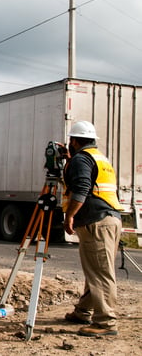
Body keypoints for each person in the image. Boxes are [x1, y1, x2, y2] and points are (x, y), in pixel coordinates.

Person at [62, 121, 123, 337]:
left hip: (96, 221)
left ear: (75, 141)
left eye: (71, 141)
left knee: (100, 272)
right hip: (110, 218)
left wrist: (70, 215)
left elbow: (82, 187)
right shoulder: (99, 157)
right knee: (95, 269)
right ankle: (83, 311)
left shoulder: (81, 159)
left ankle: (105, 322)